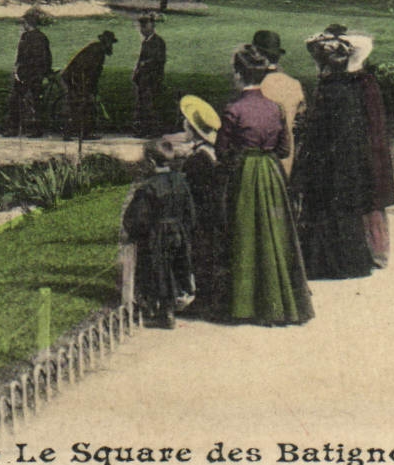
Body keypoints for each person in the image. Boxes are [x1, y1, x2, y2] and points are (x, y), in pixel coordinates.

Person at [216, 46, 313, 326]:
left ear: (238, 75)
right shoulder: (275, 108)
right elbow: (284, 149)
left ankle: (244, 304)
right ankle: (277, 301)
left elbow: (222, 151)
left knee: (245, 232)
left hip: (245, 174)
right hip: (272, 173)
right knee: (275, 233)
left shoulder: (233, 109)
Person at [291, 27, 394, 278]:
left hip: (334, 158)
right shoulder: (351, 85)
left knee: (331, 208)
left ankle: (331, 261)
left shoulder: (341, 88)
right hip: (350, 158)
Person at [120, 136, 198, 329]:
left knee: (159, 271)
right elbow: (190, 211)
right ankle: (173, 304)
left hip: (157, 233)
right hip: (178, 230)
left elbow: (136, 218)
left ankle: (165, 312)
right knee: (174, 267)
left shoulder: (148, 188)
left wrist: (135, 231)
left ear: (151, 162)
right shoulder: (181, 182)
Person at [174, 95, 228, 319]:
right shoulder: (210, 153)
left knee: (202, 255)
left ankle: (205, 301)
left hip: (202, 216)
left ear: (192, 128)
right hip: (214, 213)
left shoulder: (197, 160)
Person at [253, 30, 304, 176]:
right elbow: (300, 120)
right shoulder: (294, 84)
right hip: (287, 156)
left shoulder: (257, 86)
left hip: (261, 159)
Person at [4, 8, 53, 137]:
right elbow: (47, 57)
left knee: (16, 99)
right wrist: (46, 72)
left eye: (24, 23)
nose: (23, 25)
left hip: (27, 74)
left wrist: (18, 68)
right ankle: (36, 129)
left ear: (27, 24)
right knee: (36, 101)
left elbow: (22, 56)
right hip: (37, 73)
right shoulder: (42, 37)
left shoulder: (26, 37)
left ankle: (14, 128)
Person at [61, 30, 117, 141]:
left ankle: (79, 132)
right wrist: (89, 91)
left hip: (75, 78)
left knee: (81, 105)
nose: (111, 46)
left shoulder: (97, 49)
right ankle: (80, 133)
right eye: (110, 43)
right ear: (106, 42)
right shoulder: (97, 51)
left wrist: (92, 90)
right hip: (75, 79)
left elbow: (93, 74)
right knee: (82, 105)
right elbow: (89, 73)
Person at [130, 12, 167, 137]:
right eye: (141, 27)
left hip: (153, 79)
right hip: (143, 79)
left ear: (151, 26)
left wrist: (144, 65)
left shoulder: (158, 42)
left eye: (144, 26)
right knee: (142, 105)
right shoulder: (146, 42)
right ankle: (143, 129)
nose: (142, 30)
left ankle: (154, 130)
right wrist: (137, 71)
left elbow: (159, 60)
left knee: (151, 105)